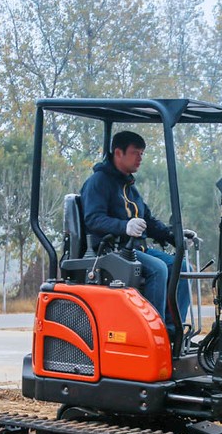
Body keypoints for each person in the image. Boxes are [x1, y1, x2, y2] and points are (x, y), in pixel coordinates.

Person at [80, 130, 189, 334]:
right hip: (111, 251)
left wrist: (172, 236)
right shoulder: (99, 182)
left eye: (142, 153)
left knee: (182, 267)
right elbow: (93, 219)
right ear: (118, 153)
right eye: (135, 152)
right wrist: (124, 226)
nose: (140, 158)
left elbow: (147, 220)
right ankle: (153, 331)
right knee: (159, 269)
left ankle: (173, 329)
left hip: (137, 250)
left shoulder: (129, 186)